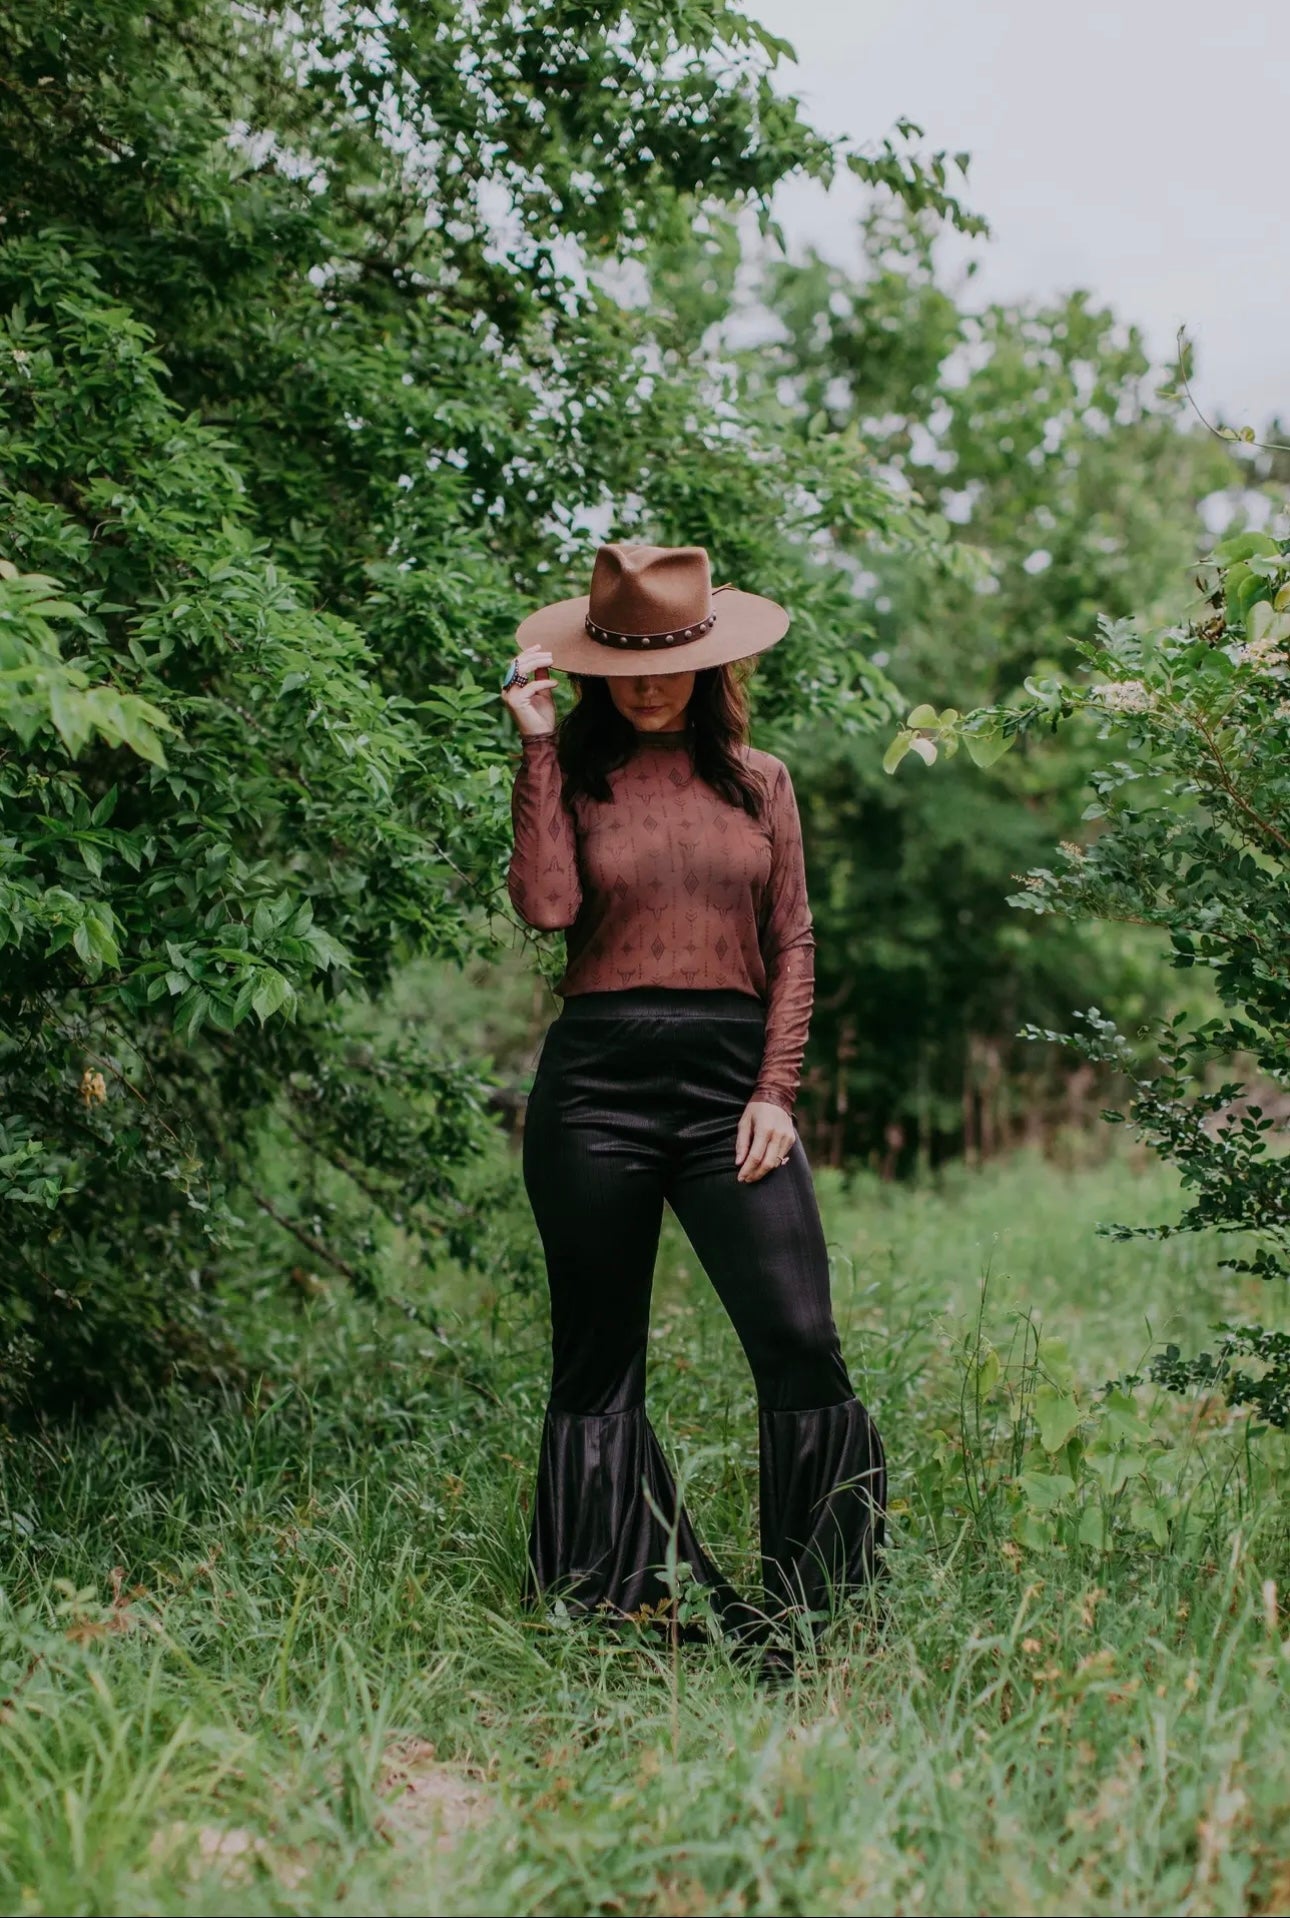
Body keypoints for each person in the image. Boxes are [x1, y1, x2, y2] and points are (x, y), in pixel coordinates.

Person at [500, 541, 885, 1667]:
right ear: (592, 667)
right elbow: (546, 904)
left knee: (799, 1336)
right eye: (624, 661)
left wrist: (776, 1091)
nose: (650, 682)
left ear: (710, 660)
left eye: (671, 658)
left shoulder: (759, 780)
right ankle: (621, 1604)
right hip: (596, 1088)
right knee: (597, 1354)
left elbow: (794, 939)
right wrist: (532, 748)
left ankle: (820, 1608)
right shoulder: (572, 771)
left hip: (730, 1085)